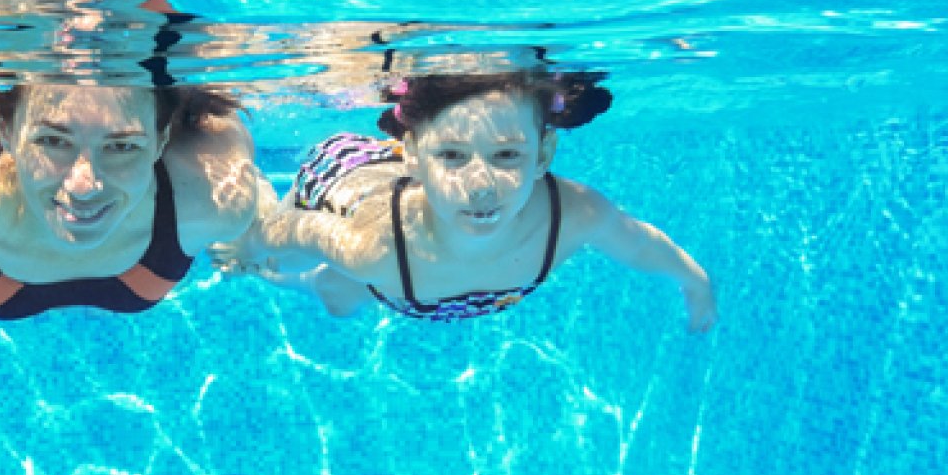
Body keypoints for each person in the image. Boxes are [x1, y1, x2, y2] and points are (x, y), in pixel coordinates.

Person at [215, 71, 718, 330]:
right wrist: (250, 247)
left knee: (348, 296)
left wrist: (693, 281)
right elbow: (299, 230)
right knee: (332, 291)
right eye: (454, 156)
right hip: (344, 182)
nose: (481, 185)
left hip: (403, 257)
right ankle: (260, 192)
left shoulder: (573, 214)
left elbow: (638, 245)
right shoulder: (375, 247)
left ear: (543, 153)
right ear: (413, 154)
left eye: (506, 155)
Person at [0, 80, 262, 321]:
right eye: (53, 141)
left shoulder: (216, 200)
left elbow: (228, 131)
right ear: (6, 134)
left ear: (162, 142)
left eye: (122, 145)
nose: (85, 186)